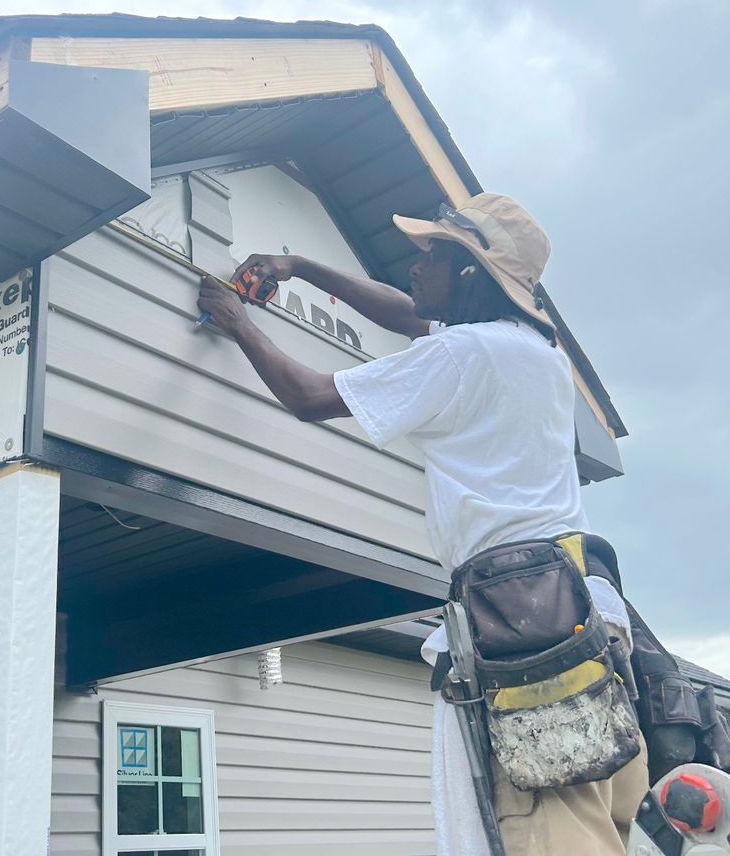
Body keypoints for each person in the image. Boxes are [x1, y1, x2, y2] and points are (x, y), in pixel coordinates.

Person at [197, 193, 650, 855]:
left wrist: (237, 320)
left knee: (545, 829)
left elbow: (309, 396)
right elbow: (409, 313)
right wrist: (300, 266)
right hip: (580, 608)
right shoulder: (534, 351)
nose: (414, 267)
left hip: (524, 618)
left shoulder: (464, 354)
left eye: (431, 256)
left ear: (469, 273)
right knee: (599, 820)